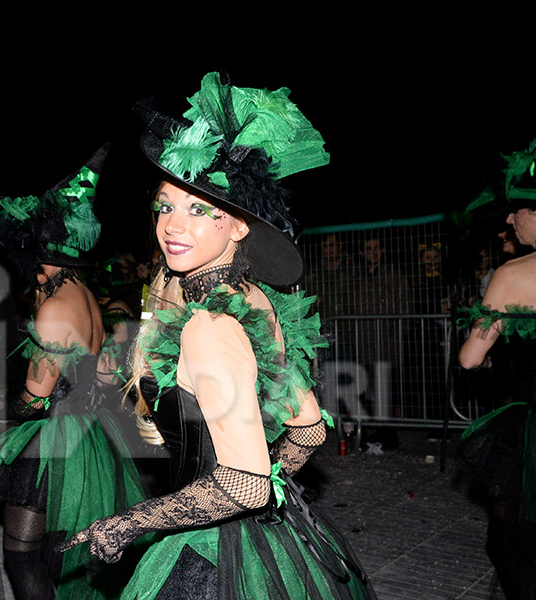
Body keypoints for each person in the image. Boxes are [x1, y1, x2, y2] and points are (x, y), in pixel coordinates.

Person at [60, 72, 375, 599]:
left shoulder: (210, 326)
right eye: (166, 205)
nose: (172, 226)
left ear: (239, 226)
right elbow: (310, 428)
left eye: (200, 209)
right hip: (272, 539)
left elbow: (245, 483)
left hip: (216, 557)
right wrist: (273, 485)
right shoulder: (255, 299)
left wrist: (129, 523)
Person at [0, 145, 146, 599]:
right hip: (92, 435)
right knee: (62, 555)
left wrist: (5, 411)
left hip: (57, 440)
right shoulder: (86, 295)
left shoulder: (55, 307)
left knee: (22, 556)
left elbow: (37, 396)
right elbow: (106, 377)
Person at [457, 140, 536, 600]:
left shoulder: (513, 274)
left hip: (531, 427)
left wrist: (485, 356)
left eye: (518, 211)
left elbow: (470, 357)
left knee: (516, 542)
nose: (509, 220)